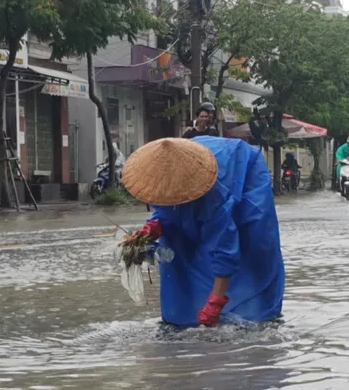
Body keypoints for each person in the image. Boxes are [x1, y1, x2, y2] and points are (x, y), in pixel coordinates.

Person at [121, 137, 286, 328]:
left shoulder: (215, 200)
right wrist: (152, 229)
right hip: (191, 164)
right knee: (177, 242)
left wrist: (215, 302)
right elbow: (169, 212)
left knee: (254, 245)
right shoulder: (160, 180)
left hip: (242, 171)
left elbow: (225, 252)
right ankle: (186, 313)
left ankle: (255, 310)